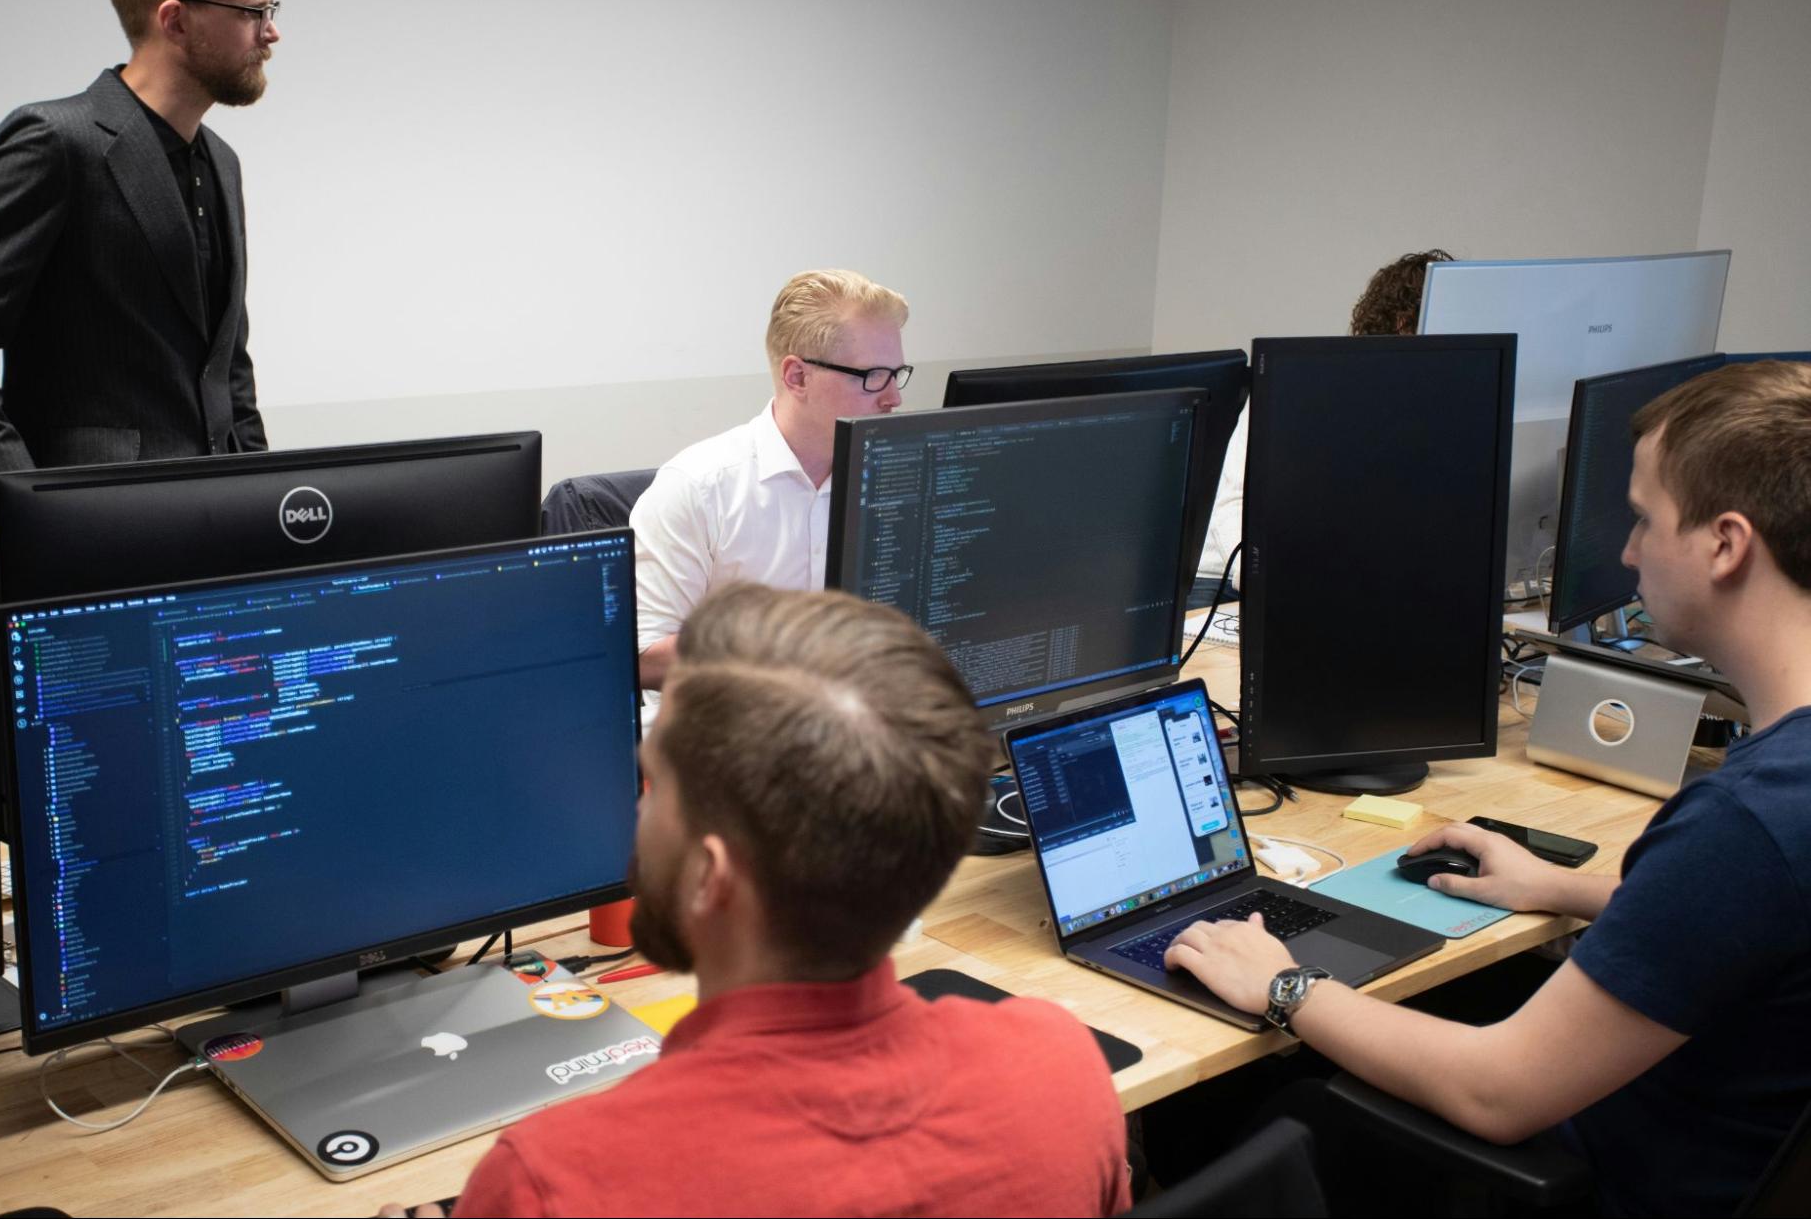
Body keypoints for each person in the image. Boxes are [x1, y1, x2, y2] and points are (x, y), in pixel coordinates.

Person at [1165, 359, 1811, 1216]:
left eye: (1643, 519)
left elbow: (1495, 1092)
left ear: (1725, 544)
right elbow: (1750, 914)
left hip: (1600, 1184)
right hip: (1716, 1143)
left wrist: (1284, 984)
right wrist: (1559, 888)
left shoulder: (1742, 821)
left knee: (1219, 1106)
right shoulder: (1772, 808)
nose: (1626, 552)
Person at [383, 583, 1129, 1217]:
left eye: (655, 785)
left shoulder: (554, 1181)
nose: (635, 812)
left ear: (710, 875)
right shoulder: (1058, 1069)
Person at [0, 0, 280, 475]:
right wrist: (28, 497)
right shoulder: (54, 142)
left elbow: (228, 368)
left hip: (219, 509)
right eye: (251, 11)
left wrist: (262, 490)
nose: (272, 32)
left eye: (270, 9)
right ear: (175, 21)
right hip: (92, 514)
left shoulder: (222, 162)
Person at [631, 269, 911, 691]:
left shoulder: (894, 482)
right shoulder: (697, 488)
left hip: (852, 711)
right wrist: (791, 644)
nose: (894, 397)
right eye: (873, 376)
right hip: (729, 720)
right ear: (797, 377)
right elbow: (643, 659)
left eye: (897, 373)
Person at [1195, 249, 1457, 595]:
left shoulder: (1437, 409)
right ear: (1398, 323)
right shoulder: (1301, 386)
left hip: (1345, 583)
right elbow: (1234, 506)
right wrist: (1277, 583)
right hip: (1226, 578)